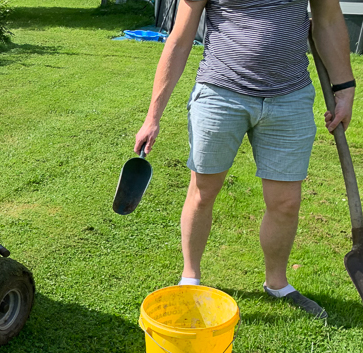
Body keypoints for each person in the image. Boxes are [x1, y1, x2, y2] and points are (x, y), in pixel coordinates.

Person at [135, 0, 355, 318]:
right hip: (220, 92)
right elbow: (180, 37)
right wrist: (152, 116)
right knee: (203, 191)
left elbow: (329, 21)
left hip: (290, 96)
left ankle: (277, 284)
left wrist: (344, 89)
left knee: (286, 202)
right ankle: (190, 278)